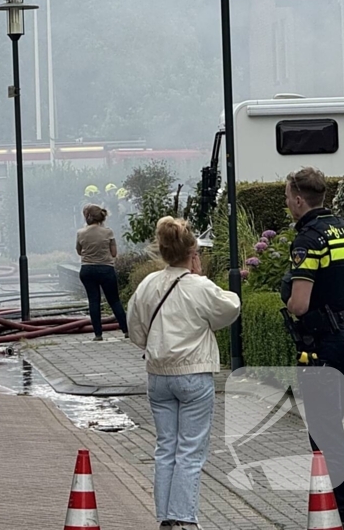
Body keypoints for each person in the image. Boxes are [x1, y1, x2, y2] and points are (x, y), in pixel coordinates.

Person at [127, 217, 239, 530]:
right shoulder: (198, 286)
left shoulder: (148, 285)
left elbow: (134, 327)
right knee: (190, 450)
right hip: (193, 373)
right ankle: (183, 518)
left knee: (165, 447)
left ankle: (164, 517)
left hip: (158, 375)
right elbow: (229, 308)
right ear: (192, 254)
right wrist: (199, 275)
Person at [283, 167, 344, 530]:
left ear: (299, 199)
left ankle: (342, 516)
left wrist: (289, 301)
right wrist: (340, 317)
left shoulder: (309, 239)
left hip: (318, 347)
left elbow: (300, 304)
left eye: (288, 197)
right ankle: (337, 510)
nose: (287, 203)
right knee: (332, 425)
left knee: (323, 433)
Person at [75, 204, 128, 341]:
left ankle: (98, 334)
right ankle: (126, 330)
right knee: (114, 300)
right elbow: (114, 253)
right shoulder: (108, 232)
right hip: (106, 269)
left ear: (87, 217)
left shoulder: (80, 233)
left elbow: (79, 251)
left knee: (93, 301)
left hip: (87, 270)